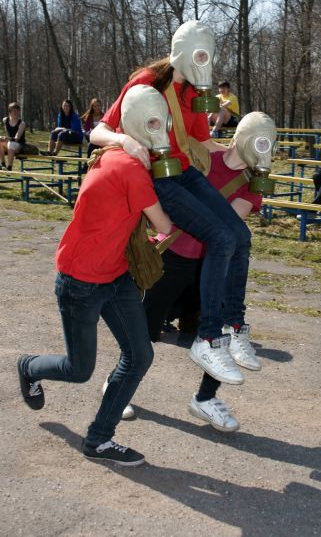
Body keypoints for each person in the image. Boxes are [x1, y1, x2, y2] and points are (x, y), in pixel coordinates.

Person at [90, 20, 255, 386]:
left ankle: (234, 326)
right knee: (221, 238)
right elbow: (98, 132)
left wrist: (243, 152)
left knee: (240, 237)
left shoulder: (195, 92)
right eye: (200, 55)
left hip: (185, 173)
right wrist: (126, 142)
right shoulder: (147, 82)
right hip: (157, 176)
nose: (203, 63)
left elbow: (203, 143)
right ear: (183, 51)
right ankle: (208, 338)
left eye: (208, 57)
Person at [17, 85, 173, 466]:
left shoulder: (116, 153)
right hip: (80, 282)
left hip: (114, 276)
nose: (162, 131)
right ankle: (29, 367)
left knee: (139, 355)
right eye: (156, 124)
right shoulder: (130, 168)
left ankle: (99, 439)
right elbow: (165, 226)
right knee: (79, 369)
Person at [117, 112, 277, 431]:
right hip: (174, 258)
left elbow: (226, 224)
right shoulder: (201, 159)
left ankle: (205, 399)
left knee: (218, 337)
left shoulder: (252, 185)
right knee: (144, 332)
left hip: (212, 268)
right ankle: (118, 385)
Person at [0, 102, 26, 170]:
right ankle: (2, 164)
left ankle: (9, 167)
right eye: (13, 110)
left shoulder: (22, 124)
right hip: (9, 143)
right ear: (9, 111)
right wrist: (2, 138)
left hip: (19, 145)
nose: (15, 112)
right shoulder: (5, 120)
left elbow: (17, 139)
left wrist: (7, 138)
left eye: (17, 110)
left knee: (11, 144)